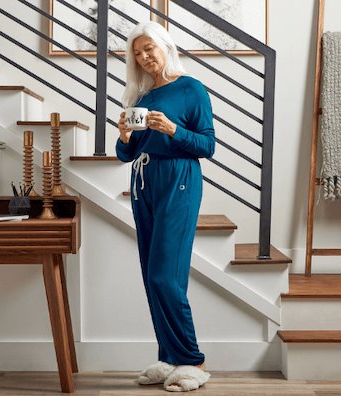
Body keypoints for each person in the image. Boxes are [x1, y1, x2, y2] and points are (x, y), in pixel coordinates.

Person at [115, 21, 215, 392]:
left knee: (165, 275)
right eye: (137, 54)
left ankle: (192, 360)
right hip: (144, 184)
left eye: (148, 50)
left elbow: (207, 146)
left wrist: (173, 130)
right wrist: (125, 137)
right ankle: (169, 357)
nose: (143, 58)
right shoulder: (141, 98)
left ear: (164, 46)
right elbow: (128, 154)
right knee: (151, 275)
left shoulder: (191, 89)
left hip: (180, 181)